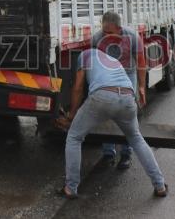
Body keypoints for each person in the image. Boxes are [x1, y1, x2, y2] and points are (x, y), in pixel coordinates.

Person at [59, 43, 167, 198]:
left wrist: (72, 115)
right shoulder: (112, 60)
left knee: (74, 137)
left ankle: (70, 188)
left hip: (103, 95)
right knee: (136, 139)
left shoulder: (85, 55)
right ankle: (160, 185)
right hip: (128, 98)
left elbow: (77, 88)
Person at [92, 11, 143, 169]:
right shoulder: (97, 38)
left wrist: (141, 86)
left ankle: (126, 153)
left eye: (110, 32)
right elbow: (94, 62)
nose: (106, 36)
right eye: (104, 31)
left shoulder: (132, 37)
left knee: (125, 114)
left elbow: (141, 61)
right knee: (105, 113)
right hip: (106, 76)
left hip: (128, 75)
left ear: (119, 28)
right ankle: (108, 153)